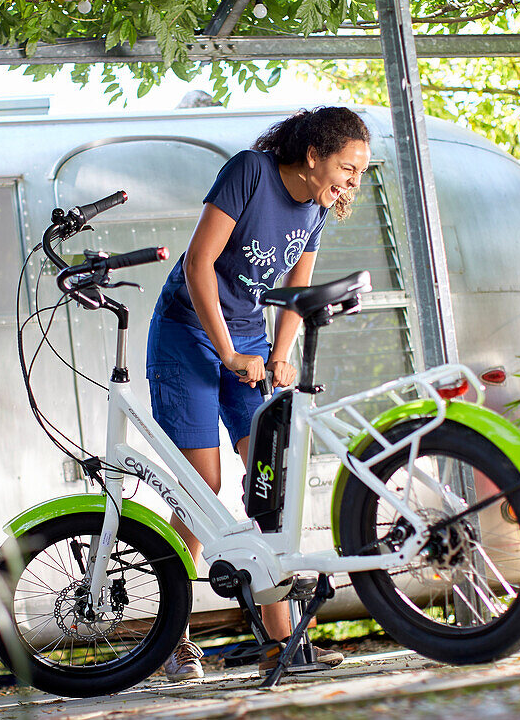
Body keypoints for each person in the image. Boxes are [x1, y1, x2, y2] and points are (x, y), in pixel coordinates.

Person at [146, 107, 372, 681]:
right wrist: (227, 352)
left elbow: (298, 283)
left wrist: (279, 354)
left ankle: (283, 643)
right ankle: (174, 637)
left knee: (270, 478)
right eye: (348, 167)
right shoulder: (251, 171)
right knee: (203, 486)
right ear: (315, 154)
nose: (353, 180)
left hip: (246, 340)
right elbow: (199, 263)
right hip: (188, 332)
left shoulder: (318, 204)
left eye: (361, 172)